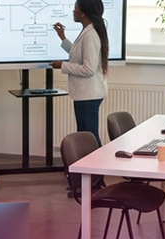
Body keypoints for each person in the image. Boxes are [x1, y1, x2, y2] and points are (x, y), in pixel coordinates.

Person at [51, 0, 109, 147]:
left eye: (75, 8)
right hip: (86, 95)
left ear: (83, 13)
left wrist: (62, 66)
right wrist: (63, 37)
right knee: (85, 136)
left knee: (89, 137)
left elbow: (88, 69)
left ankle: (98, 163)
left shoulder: (90, 35)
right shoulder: (88, 31)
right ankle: (90, 162)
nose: (73, 11)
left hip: (89, 96)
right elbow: (77, 54)